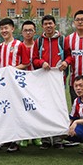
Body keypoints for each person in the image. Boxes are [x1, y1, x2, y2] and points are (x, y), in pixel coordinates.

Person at [33, 14, 69, 149]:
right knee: (44, 109)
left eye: (50, 23)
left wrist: (66, 62)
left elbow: (70, 56)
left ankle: (58, 138)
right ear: (42, 26)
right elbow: (34, 59)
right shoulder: (39, 42)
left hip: (58, 80)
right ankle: (46, 139)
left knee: (58, 108)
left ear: (55, 25)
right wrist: (41, 63)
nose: (48, 26)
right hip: (43, 81)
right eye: (46, 24)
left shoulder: (62, 40)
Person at [0, 18, 30, 152]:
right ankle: (6, 138)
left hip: (15, 84)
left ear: (12, 29)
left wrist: (12, 70)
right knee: (4, 111)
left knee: (16, 111)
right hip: (3, 84)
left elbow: (26, 63)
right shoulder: (0, 46)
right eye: (2, 29)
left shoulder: (19, 45)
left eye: (6, 28)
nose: (4, 31)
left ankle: (16, 140)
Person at [18, 20, 43, 149]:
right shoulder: (18, 46)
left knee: (36, 108)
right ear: (21, 32)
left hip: (37, 81)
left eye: (30, 30)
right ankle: (24, 136)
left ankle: (36, 135)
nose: (28, 33)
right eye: (25, 30)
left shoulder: (39, 45)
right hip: (21, 82)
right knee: (23, 108)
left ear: (35, 32)